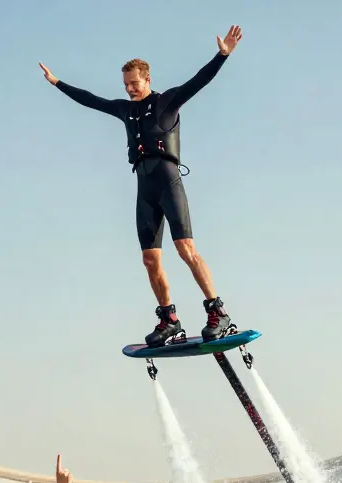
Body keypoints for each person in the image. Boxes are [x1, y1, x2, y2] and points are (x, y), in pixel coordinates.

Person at [40, 25, 244, 348]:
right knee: (150, 259)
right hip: (144, 188)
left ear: (148, 79)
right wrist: (57, 83)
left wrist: (223, 55)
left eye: (135, 83)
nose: (130, 89)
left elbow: (199, 81)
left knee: (185, 250)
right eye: (126, 85)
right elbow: (91, 100)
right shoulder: (126, 110)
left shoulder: (166, 102)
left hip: (168, 183)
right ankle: (169, 320)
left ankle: (218, 312)